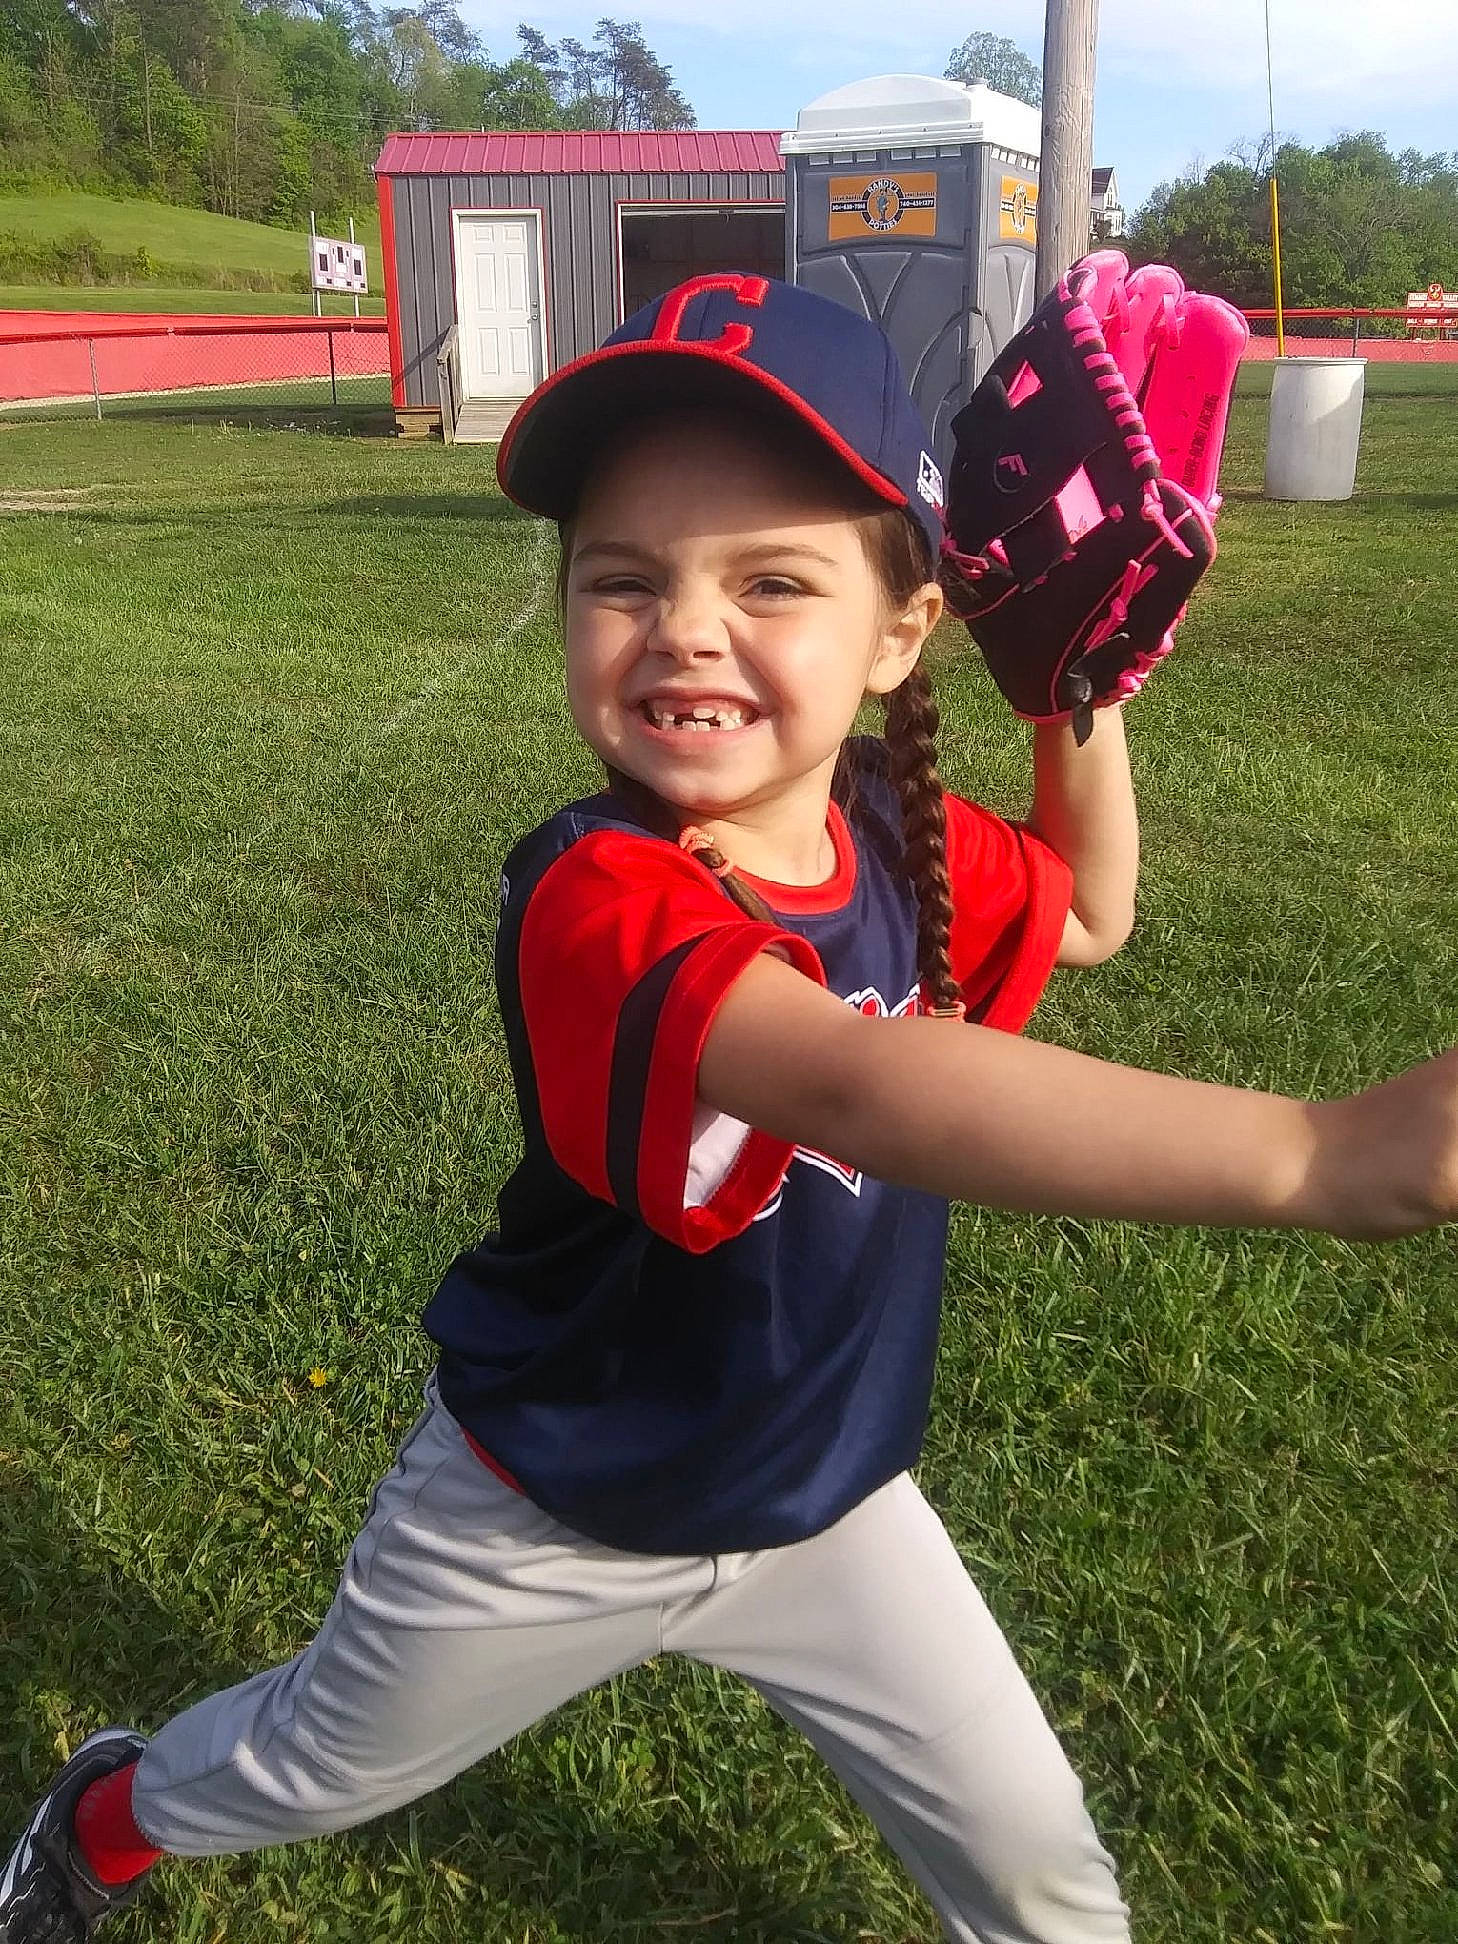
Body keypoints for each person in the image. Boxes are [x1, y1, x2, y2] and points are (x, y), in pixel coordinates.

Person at [3, 273, 1454, 1944]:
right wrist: (1319, 1154)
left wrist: (1074, 700)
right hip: (557, 1504)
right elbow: (857, 1078)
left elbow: (1089, 914)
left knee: (1037, 1865)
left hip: (831, 1496)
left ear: (900, 630)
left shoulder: (896, 828)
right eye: (622, 580)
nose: (684, 627)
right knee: (307, 1767)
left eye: (770, 580)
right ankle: (106, 1815)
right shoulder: (593, 891)